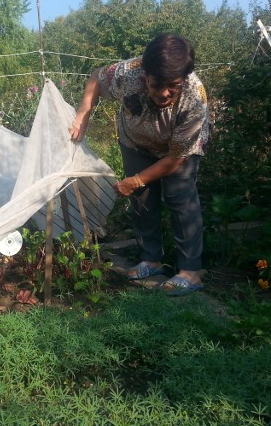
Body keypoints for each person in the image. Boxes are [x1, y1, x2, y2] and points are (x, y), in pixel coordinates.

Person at [70, 33, 209, 295]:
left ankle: (190, 272)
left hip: (177, 151)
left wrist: (135, 180)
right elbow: (96, 77)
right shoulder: (128, 73)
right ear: (145, 74)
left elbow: (175, 160)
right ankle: (151, 260)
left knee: (181, 199)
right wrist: (83, 114)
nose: (166, 93)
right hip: (136, 142)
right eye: (158, 84)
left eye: (174, 86)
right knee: (142, 200)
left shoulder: (195, 98)